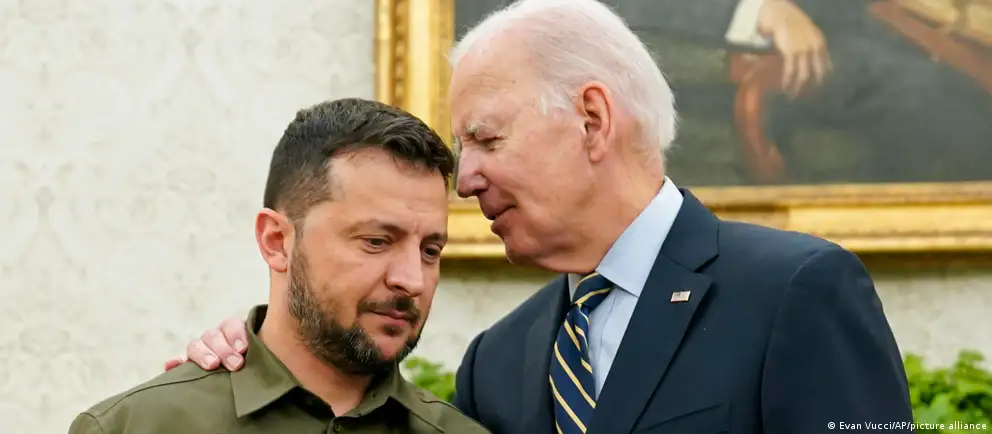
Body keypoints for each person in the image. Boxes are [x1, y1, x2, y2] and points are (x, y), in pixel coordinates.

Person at [170, 1, 915, 433]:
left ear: (592, 119)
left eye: (487, 139)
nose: (466, 181)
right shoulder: (499, 361)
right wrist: (256, 350)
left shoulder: (796, 293)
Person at [69, 98, 489, 434]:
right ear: (276, 241)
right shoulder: (137, 426)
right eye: (376, 242)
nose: (412, 280)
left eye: (430, 251)